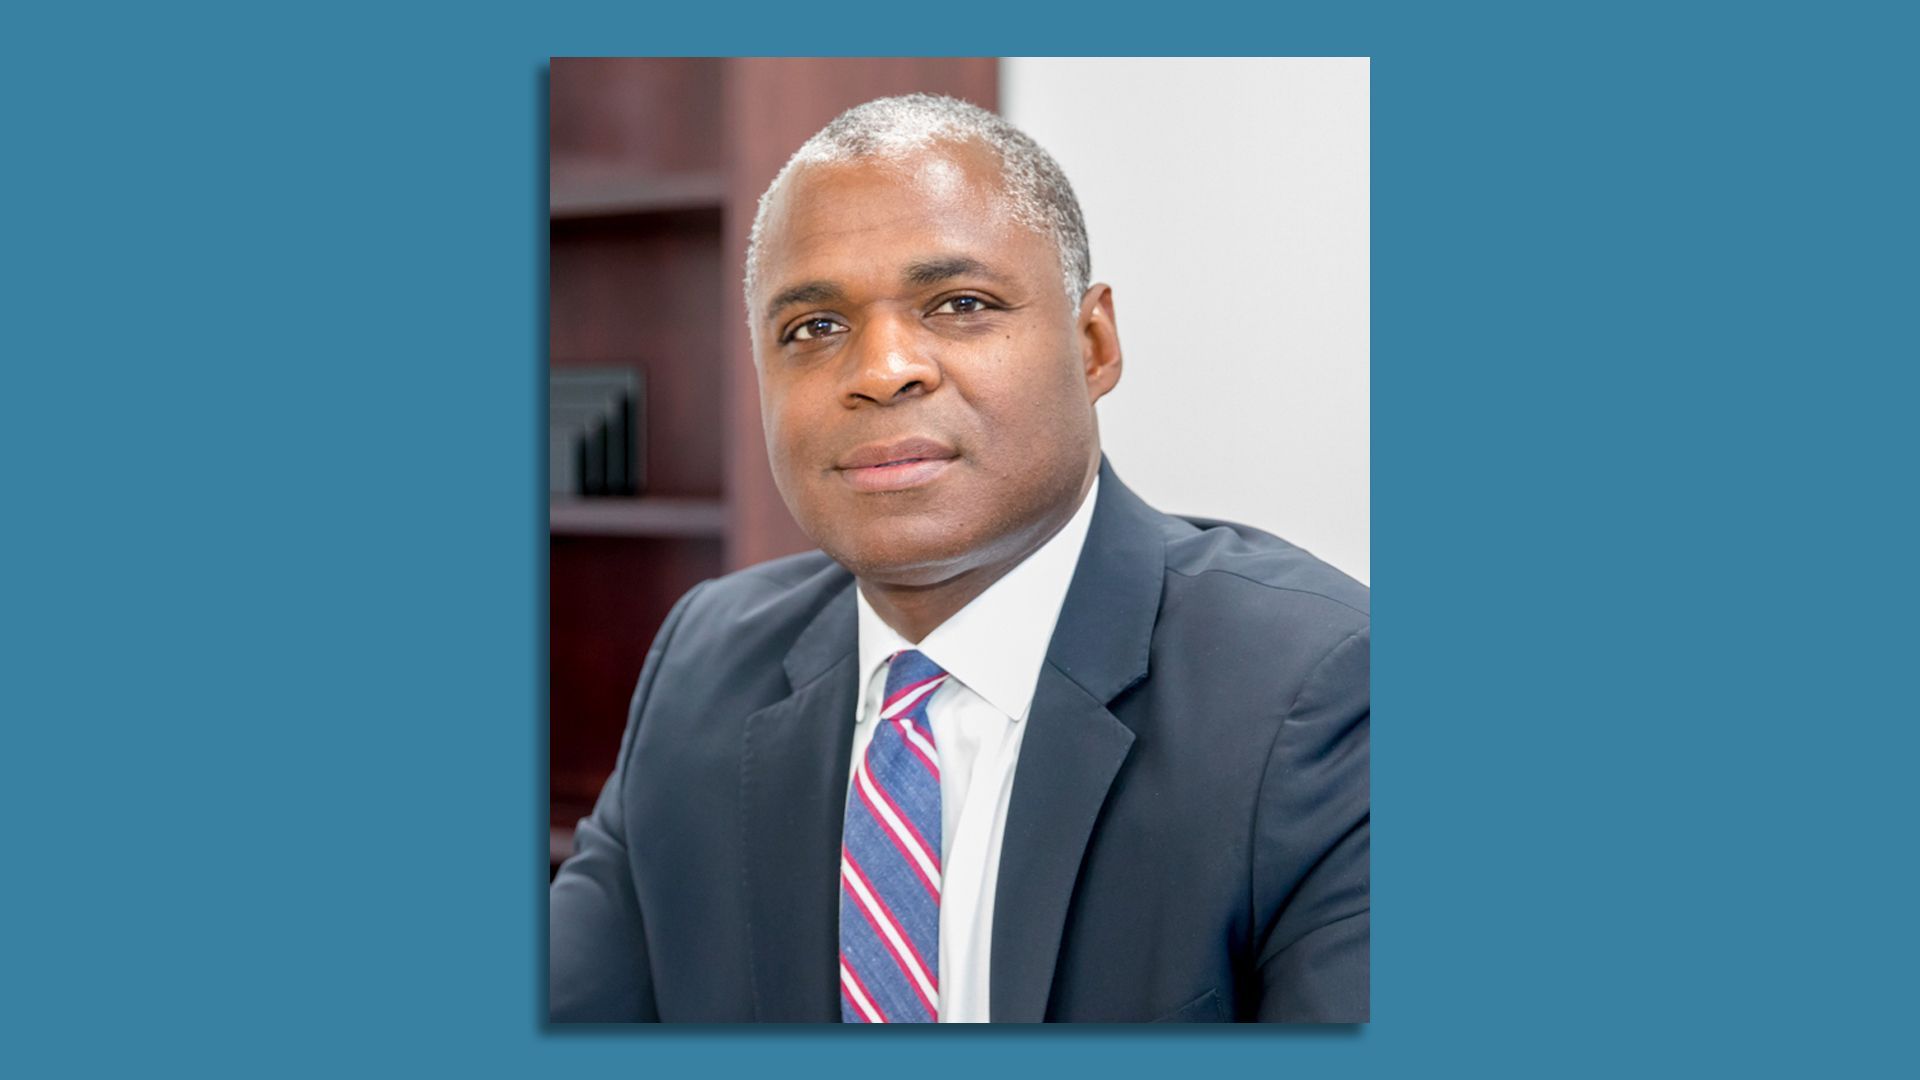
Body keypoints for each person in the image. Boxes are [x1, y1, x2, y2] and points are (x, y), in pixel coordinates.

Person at [549, 94, 1369, 1023]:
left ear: (1094, 345)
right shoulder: (703, 663)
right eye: (814, 327)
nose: (882, 367)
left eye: (961, 304)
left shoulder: (1327, 693)